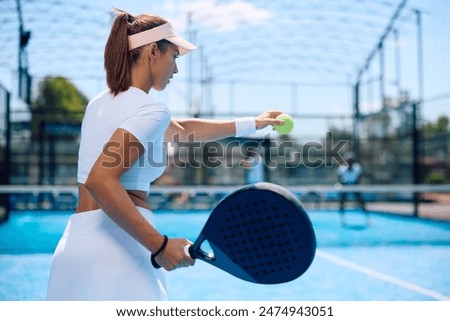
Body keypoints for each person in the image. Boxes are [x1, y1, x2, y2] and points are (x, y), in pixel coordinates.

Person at [45, 8, 284, 300]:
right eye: (174, 55)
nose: (177, 68)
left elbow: (181, 130)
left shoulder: (100, 103)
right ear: (152, 51)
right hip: (118, 250)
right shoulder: (149, 109)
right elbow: (101, 179)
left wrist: (254, 123)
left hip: (73, 248)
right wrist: (158, 245)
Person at [337, 152, 369, 227]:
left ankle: (367, 219)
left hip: (355, 186)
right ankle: (342, 220)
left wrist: (356, 185)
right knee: (342, 202)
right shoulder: (341, 169)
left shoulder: (357, 168)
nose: (350, 162)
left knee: (361, 202)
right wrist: (343, 183)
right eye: (348, 160)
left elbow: (359, 177)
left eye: (351, 160)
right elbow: (339, 179)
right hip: (345, 187)